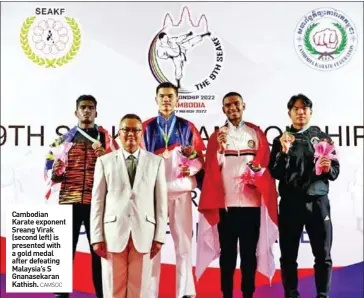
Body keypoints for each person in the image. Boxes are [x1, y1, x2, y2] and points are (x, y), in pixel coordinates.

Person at [196, 92, 278, 298]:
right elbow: (212, 170)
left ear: (243, 106)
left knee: (249, 256)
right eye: (228, 106)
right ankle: (227, 295)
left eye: (236, 104)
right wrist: (220, 151)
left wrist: (256, 175)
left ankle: (248, 294)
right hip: (227, 206)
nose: (233, 108)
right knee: (228, 256)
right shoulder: (217, 136)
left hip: (251, 206)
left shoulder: (255, 134)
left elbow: (265, 165)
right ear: (223, 109)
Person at [44, 95, 118, 298]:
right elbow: (49, 172)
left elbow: (119, 172)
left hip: (98, 203)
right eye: (83, 107)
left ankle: (103, 293)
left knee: (99, 251)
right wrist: (57, 172)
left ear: (96, 112)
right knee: (65, 250)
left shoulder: (107, 140)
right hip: (70, 200)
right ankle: (60, 293)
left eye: (91, 108)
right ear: (76, 112)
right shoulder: (62, 140)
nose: (87, 111)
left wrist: (107, 158)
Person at [268, 94, 340, 298]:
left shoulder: (323, 138)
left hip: (318, 204)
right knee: (288, 256)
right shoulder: (281, 139)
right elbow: (275, 173)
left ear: (310, 112)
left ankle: (322, 294)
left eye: (305, 108)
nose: (301, 112)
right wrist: (283, 152)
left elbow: (335, 171)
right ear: (289, 112)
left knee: (323, 255)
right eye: (296, 109)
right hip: (291, 205)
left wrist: (327, 169)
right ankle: (291, 294)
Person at [90, 114, 168, 298]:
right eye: (126, 129)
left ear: (142, 134)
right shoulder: (104, 161)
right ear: (119, 133)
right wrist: (96, 236)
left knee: (139, 289)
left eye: (136, 130)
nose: (131, 134)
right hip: (112, 234)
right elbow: (97, 201)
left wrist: (159, 236)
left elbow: (161, 203)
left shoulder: (156, 162)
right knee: (113, 288)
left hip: (144, 233)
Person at [142, 82, 206, 298]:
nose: (166, 100)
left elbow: (200, 159)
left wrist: (193, 168)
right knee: (153, 244)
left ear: (178, 100)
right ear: (156, 99)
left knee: (184, 242)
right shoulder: (146, 127)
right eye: (162, 96)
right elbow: (138, 160)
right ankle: (150, 293)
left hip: (181, 192)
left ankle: (185, 291)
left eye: (170, 96)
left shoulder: (187, 127)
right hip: (153, 193)